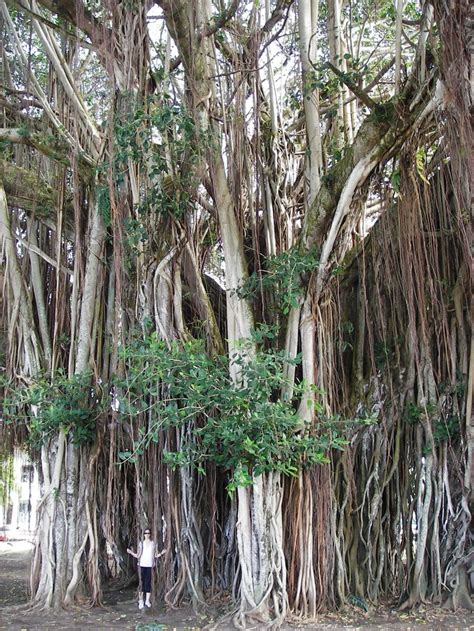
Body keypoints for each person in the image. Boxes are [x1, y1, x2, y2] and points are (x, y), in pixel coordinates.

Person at [126, 528, 166, 609]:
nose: (147, 534)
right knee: (141, 583)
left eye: (148, 533)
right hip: (141, 565)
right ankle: (140, 601)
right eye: (145, 533)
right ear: (143, 534)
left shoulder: (153, 544)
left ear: (150, 534)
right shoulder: (141, 544)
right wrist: (130, 552)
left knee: (148, 583)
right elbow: (138, 555)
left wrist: (162, 553)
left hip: (150, 565)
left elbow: (155, 555)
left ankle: (147, 601)